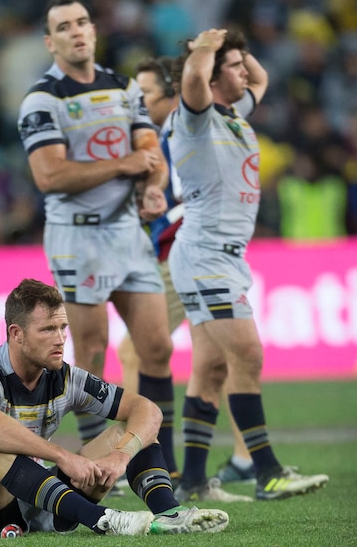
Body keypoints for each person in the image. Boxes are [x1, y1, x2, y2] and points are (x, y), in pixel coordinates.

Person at [17, 0, 178, 480]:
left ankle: (159, 465)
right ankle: (89, 464)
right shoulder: (42, 99)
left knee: (158, 348)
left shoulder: (123, 88)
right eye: (64, 26)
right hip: (78, 239)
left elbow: (150, 152)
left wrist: (151, 188)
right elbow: (49, 175)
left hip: (128, 233)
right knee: (90, 352)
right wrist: (123, 165)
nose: (77, 31)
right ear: (51, 41)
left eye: (83, 22)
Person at [166, 29, 329, 501]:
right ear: (212, 78)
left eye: (241, 64)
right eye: (233, 67)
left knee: (213, 368)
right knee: (248, 355)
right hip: (206, 257)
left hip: (223, 258)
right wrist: (204, 48)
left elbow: (262, 76)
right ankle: (267, 472)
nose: (244, 72)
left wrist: (232, 47)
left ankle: (193, 482)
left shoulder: (233, 114)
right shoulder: (194, 118)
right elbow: (196, 75)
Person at [0, 278, 229, 538]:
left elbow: (147, 410)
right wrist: (64, 457)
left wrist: (120, 456)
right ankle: (104, 520)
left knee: (133, 431)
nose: (61, 338)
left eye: (63, 327)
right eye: (48, 329)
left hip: (36, 502)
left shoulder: (66, 377)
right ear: (17, 334)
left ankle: (169, 515)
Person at [119, 56, 257, 489]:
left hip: (180, 256)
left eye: (144, 95)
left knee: (139, 353)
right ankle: (243, 458)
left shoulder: (182, 131)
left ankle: (138, 456)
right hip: (187, 254)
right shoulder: (170, 132)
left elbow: (185, 193)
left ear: (172, 94)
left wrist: (216, 46)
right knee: (216, 359)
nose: (136, 103)